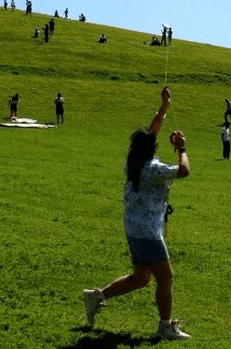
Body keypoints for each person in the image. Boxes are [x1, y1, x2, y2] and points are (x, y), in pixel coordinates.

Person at [82, 86, 192, 341]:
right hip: (148, 233)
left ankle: (97, 297)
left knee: (141, 278)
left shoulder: (133, 161)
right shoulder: (153, 168)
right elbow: (184, 171)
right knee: (165, 279)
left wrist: (164, 106)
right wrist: (182, 149)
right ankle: (166, 327)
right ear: (152, 148)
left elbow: (150, 133)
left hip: (134, 229)